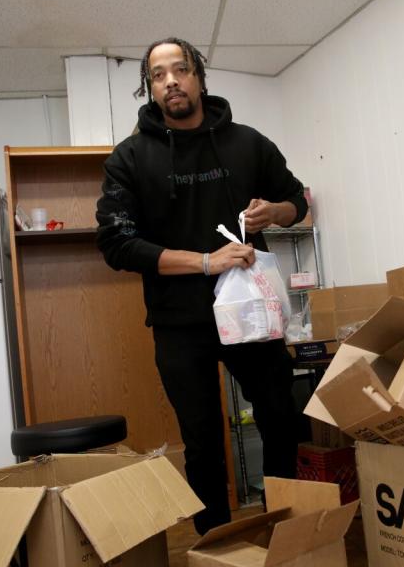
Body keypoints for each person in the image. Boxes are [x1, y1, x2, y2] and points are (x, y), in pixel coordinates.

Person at [96, 37, 307, 535]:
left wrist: (274, 212)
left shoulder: (247, 143)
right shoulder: (129, 158)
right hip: (179, 320)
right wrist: (206, 261)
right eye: (157, 75)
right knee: (203, 440)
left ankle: (284, 529)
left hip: (252, 312)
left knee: (280, 416)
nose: (170, 80)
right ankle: (218, 548)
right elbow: (118, 245)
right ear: (149, 88)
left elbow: (297, 200)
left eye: (180, 69)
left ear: (199, 76)